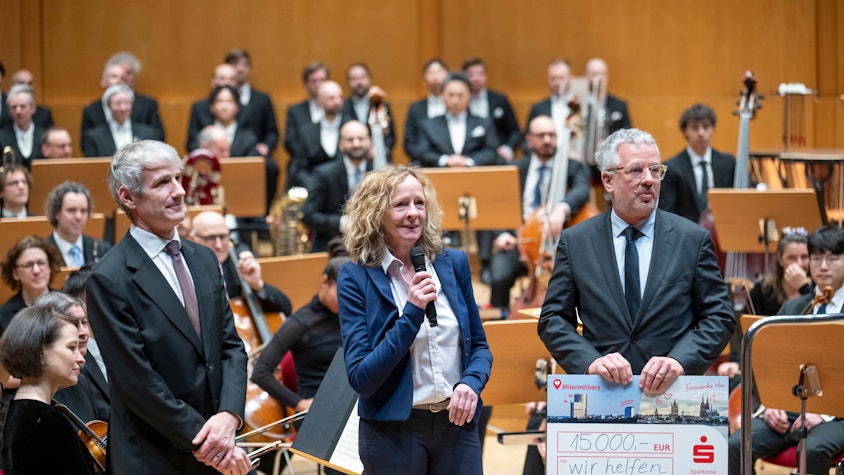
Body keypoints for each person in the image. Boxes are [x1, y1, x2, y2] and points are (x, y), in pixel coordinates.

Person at [85, 140, 250, 474]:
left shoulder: (204, 258)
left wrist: (230, 415)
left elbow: (231, 346)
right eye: (162, 182)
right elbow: (137, 382)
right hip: (155, 457)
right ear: (128, 197)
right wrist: (207, 440)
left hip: (216, 444)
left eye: (177, 178)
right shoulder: (108, 278)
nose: (179, 191)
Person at [538, 128, 735, 393]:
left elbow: (719, 316)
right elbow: (553, 319)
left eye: (655, 170)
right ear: (608, 180)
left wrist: (680, 360)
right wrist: (590, 361)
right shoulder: (576, 242)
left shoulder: (692, 239)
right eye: (635, 170)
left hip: (671, 394)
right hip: (603, 393)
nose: (649, 180)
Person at [338, 165, 492, 474]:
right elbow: (362, 379)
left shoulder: (453, 263)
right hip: (393, 434)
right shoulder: (355, 277)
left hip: (456, 425)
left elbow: (479, 347)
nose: (413, 213)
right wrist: (412, 313)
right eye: (400, 205)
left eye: (419, 203)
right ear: (375, 214)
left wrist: (471, 383)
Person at [727, 224, 844, 475]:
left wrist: (823, 416)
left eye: (833, 259)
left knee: (811, 450)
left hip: (839, 413)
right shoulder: (793, 308)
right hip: (791, 407)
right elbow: (769, 363)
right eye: (816, 258)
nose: (823, 266)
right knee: (736, 445)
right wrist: (771, 404)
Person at [488, 115, 591, 314]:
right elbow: (498, 205)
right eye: (541, 135)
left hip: (555, 242)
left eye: (552, 135)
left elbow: (581, 190)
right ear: (529, 140)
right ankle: (498, 322)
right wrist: (503, 234)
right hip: (519, 239)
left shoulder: (572, 166)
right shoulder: (516, 168)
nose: (547, 140)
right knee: (499, 275)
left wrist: (562, 208)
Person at [0, 305, 95, 474]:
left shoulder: (19, 411)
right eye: (71, 347)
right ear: (39, 351)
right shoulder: (46, 420)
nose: (81, 359)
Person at [251, 253, 349, 415]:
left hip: (349, 405)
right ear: (324, 281)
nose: (346, 300)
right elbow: (260, 372)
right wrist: (299, 403)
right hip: (316, 411)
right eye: (341, 292)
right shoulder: (299, 323)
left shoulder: (353, 315)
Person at [189, 209, 292, 315]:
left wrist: (257, 284)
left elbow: (286, 307)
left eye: (223, 237)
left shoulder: (238, 262)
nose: (219, 245)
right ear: (192, 239)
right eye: (210, 238)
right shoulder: (186, 270)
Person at [301, 120, 373, 252]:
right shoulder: (323, 174)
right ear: (341, 144)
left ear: (370, 142)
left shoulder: (379, 173)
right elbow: (309, 215)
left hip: (370, 248)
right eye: (350, 140)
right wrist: (342, 223)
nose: (356, 144)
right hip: (330, 246)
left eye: (361, 139)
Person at [207, 84, 279, 213]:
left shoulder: (249, 139)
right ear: (212, 107)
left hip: (243, 199)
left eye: (229, 101)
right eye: (220, 101)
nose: (224, 106)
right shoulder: (204, 136)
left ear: (237, 107)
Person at [659, 103, 736, 223]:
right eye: (695, 128)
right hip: (686, 232)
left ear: (712, 129)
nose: (701, 133)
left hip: (724, 229)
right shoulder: (672, 168)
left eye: (706, 127)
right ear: (685, 132)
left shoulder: (729, 163)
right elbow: (668, 213)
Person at [80, 54, 164, 141]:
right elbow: (87, 142)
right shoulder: (91, 110)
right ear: (103, 81)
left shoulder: (147, 105)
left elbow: (158, 137)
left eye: (123, 77)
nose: (119, 81)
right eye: (114, 76)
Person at [286, 80, 349, 190]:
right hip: (314, 187)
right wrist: (313, 185)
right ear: (319, 101)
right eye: (331, 98)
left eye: (340, 97)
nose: (337, 102)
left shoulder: (352, 129)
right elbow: (299, 167)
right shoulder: (307, 132)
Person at [462, 57, 521, 162]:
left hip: (498, 154)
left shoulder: (499, 100)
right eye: (471, 74)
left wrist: (508, 148)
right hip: (469, 156)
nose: (476, 79)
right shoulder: (459, 101)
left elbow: (515, 131)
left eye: (480, 74)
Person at [0, 235, 63, 333]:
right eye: (28, 265)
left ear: (50, 267)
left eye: (41, 263)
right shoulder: (4, 315)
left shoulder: (67, 303)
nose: (36, 270)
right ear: (15, 273)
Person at [224, 48, 280, 157]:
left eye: (245, 65)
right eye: (235, 64)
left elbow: (272, 131)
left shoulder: (262, 99)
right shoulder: (218, 101)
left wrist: (266, 146)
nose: (240, 69)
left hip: (255, 153)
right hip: (225, 152)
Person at [81, 84, 163, 157]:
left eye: (127, 103)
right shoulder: (94, 137)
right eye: (118, 103)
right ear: (108, 106)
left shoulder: (150, 133)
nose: (123, 108)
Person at [44, 181, 112, 267]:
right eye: (71, 210)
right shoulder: (43, 251)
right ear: (56, 213)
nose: (78, 217)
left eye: (83, 211)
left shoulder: (102, 249)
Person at [342, 62, 395, 159]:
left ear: (369, 79)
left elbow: (390, 136)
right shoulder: (342, 106)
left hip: (377, 157)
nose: (359, 82)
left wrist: (379, 149)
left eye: (362, 78)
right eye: (354, 79)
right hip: (350, 157)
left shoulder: (382, 105)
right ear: (348, 82)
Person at [185, 63, 239, 151]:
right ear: (213, 81)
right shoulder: (199, 108)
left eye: (231, 79)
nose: (227, 83)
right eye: (222, 78)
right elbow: (192, 143)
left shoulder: (245, 108)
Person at [404, 59, 449, 161]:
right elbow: (409, 142)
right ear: (424, 80)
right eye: (431, 73)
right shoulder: (415, 108)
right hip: (423, 162)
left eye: (439, 72)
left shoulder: (457, 105)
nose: (435, 77)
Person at [284, 62, 329, 160]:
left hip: (332, 163)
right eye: (314, 81)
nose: (318, 85)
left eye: (322, 80)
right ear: (305, 84)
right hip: (304, 162)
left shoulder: (339, 108)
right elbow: (290, 142)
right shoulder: (295, 111)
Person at [0, 85, 46, 167]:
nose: (18, 111)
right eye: (14, 107)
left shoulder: (44, 136)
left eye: (23, 106)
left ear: (33, 108)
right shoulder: (1, 137)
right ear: (9, 110)